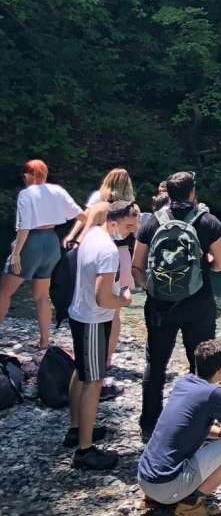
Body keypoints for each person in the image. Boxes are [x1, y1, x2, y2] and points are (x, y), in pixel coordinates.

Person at [133, 171, 221, 441]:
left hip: (159, 306)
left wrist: (151, 288)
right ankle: (198, 424)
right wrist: (205, 260)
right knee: (200, 364)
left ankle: (149, 425)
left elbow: (136, 266)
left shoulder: (152, 222)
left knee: (156, 364)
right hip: (198, 304)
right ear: (192, 192)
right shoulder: (208, 222)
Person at [65, 200, 139, 470]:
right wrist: (126, 299)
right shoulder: (108, 250)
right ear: (114, 221)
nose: (131, 232)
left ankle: (77, 429)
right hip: (93, 320)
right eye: (128, 226)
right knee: (93, 382)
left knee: (81, 372)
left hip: (79, 313)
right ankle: (85, 451)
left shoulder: (93, 233)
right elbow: (103, 298)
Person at [138, 339, 221, 516]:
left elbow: (185, 426)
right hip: (166, 488)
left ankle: (160, 498)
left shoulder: (184, 383)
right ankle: (190, 505)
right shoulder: (213, 393)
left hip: (145, 480)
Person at [62, 167, 137, 398]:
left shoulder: (98, 203)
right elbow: (138, 235)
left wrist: (72, 239)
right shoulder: (131, 206)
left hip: (95, 258)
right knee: (114, 311)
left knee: (96, 303)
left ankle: (94, 360)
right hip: (121, 255)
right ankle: (106, 358)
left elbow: (84, 233)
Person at [0, 159, 83, 349]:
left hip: (32, 242)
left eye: (26, 173)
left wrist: (16, 253)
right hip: (52, 242)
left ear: (32, 175)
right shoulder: (57, 191)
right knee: (42, 296)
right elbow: (82, 216)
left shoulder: (26, 194)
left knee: (4, 291)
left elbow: (25, 226)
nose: (24, 176)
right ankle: (45, 341)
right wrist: (78, 235)